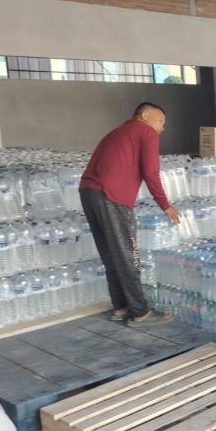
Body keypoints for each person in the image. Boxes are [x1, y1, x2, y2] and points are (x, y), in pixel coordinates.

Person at [79, 103, 180, 323]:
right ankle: (140, 311)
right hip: (112, 197)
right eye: (161, 121)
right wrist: (165, 205)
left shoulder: (117, 132)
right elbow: (151, 172)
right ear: (145, 115)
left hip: (89, 193)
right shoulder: (146, 132)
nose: (162, 128)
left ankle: (121, 306)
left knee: (111, 253)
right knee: (128, 253)